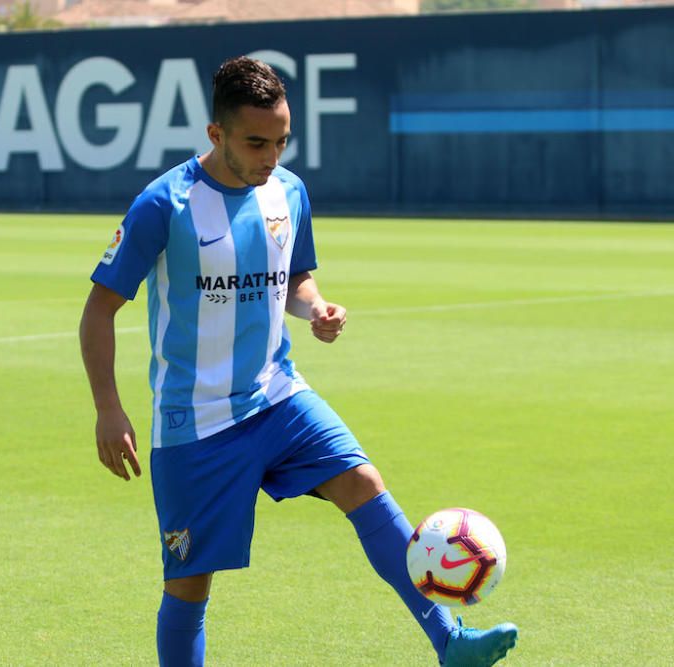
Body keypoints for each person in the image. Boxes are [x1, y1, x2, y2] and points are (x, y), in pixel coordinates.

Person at [79, 55, 518, 667]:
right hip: (195, 423)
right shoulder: (164, 204)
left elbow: (295, 279)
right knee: (189, 584)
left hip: (278, 397)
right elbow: (98, 310)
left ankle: (450, 642)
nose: (271, 156)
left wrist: (315, 311)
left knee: (363, 482)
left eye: (281, 141)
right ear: (216, 134)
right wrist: (108, 409)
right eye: (256, 142)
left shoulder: (288, 191)